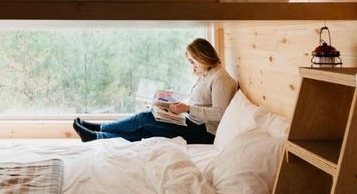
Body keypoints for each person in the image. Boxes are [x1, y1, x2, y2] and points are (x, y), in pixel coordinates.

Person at [72, 38, 237, 144]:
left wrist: (187, 108)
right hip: (192, 121)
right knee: (146, 128)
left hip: (203, 132)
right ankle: (97, 135)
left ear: (203, 57)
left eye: (193, 61)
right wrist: (172, 102)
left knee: (144, 119)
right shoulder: (207, 74)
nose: (193, 66)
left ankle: (100, 130)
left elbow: (219, 113)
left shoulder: (221, 79)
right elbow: (199, 102)